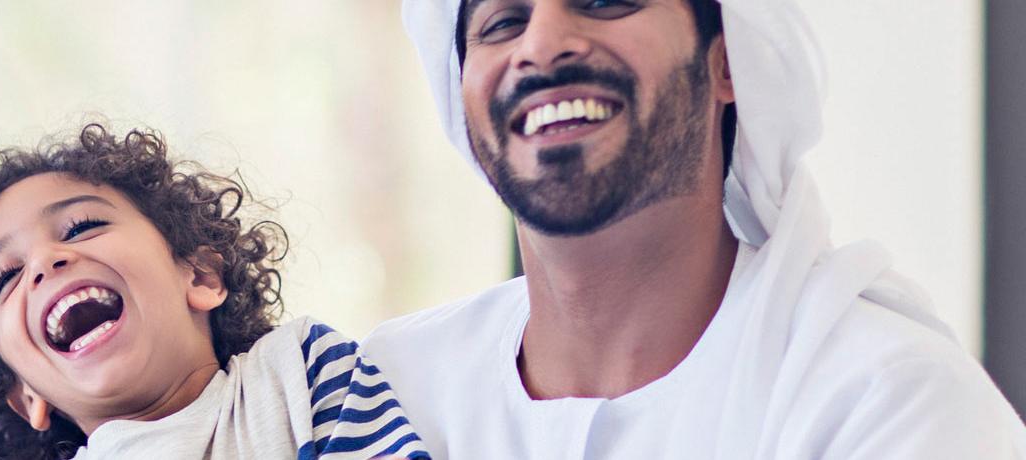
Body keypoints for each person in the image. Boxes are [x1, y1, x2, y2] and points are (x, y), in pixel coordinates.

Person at [360, 0, 1026, 457]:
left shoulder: (887, 403)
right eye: (503, 21)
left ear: (728, 62)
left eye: (605, 0)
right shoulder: (380, 397)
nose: (540, 43)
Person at [0, 124, 429, 459]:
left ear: (200, 277)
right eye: (5, 278)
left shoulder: (300, 369)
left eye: (81, 226)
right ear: (29, 398)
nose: (45, 261)